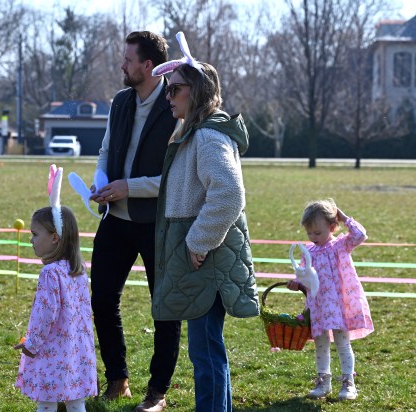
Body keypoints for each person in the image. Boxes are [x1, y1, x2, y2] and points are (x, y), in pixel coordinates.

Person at [150, 32, 259, 412]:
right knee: (208, 348)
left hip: (206, 257)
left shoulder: (209, 135)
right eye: (167, 89)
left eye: (175, 88)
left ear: (196, 91)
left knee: (205, 351)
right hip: (202, 254)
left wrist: (197, 243)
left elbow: (228, 194)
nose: (168, 96)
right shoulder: (196, 131)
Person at [89, 31, 181, 412]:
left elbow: (175, 179)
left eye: (128, 60)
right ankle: (118, 380)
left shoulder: (176, 104)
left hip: (156, 223)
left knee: (164, 307)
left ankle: (157, 392)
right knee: (102, 299)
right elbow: (107, 150)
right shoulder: (120, 101)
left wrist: (129, 187)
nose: (122, 66)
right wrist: (99, 183)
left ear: (148, 65)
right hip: (115, 220)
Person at [14, 165, 97, 412]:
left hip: (52, 350)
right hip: (76, 349)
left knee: (47, 400)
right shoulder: (77, 268)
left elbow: (45, 314)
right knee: (75, 401)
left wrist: (32, 343)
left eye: (35, 234)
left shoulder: (50, 273)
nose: (31, 239)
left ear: (54, 238)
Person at [287, 198, 374, 401]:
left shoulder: (340, 246)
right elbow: (305, 277)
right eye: (309, 233)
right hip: (318, 305)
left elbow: (360, 235)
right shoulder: (308, 252)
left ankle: (348, 382)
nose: (313, 237)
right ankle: (323, 382)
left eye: (317, 232)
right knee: (320, 343)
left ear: (332, 227)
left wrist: (345, 218)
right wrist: (297, 283)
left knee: (343, 343)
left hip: (339, 305)